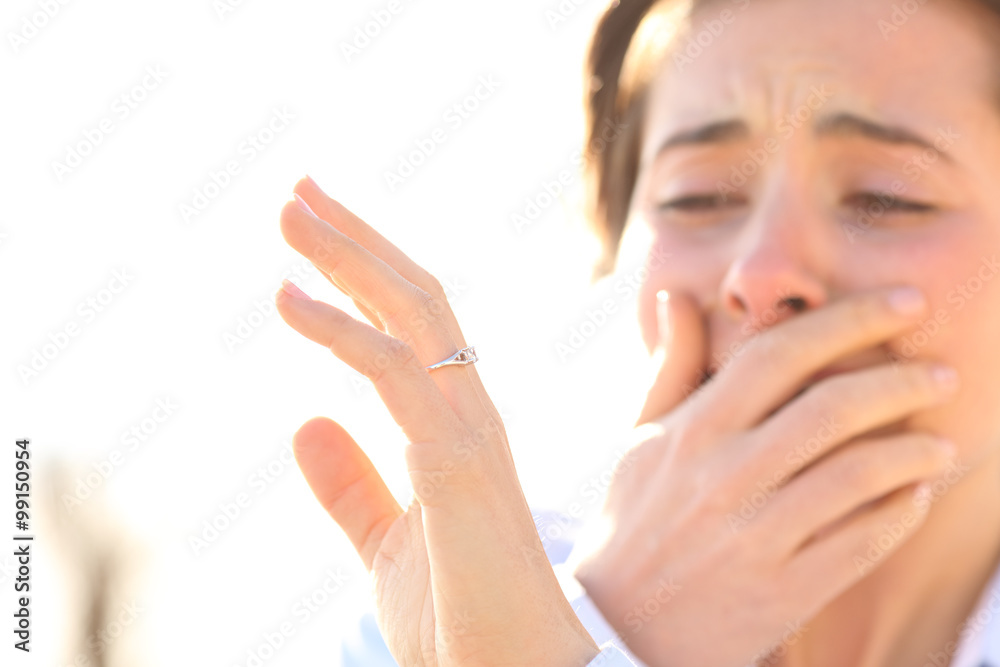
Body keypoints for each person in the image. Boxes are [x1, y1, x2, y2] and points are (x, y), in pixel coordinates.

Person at [273, 0, 1000, 664]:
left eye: (886, 197)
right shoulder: (434, 626)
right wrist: (605, 622)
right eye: (699, 196)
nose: (762, 272)